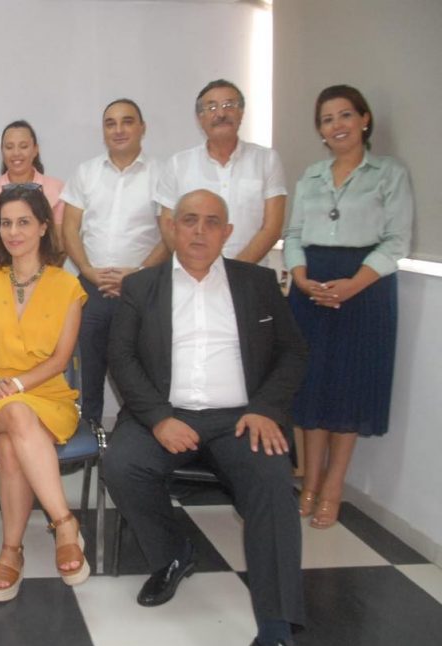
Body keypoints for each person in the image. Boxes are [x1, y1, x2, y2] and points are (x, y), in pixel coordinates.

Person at [104, 190, 325, 646]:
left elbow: (294, 353)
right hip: (166, 411)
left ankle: (274, 638)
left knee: (273, 483)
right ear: (172, 228)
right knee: (122, 465)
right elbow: (123, 357)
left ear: (227, 232)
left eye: (211, 222)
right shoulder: (142, 286)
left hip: (241, 418)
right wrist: (159, 418)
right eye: (189, 220)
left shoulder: (258, 283)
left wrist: (265, 408)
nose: (199, 231)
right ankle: (173, 552)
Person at [283, 85, 413, 529]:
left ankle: (333, 489)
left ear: (364, 119)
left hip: (364, 289)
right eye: (327, 119)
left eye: (344, 115)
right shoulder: (312, 176)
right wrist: (301, 277)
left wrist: (353, 285)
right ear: (320, 130)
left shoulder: (388, 173)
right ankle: (310, 483)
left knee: (349, 391)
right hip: (312, 287)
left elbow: (396, 241)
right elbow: (294, 235)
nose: (336, 125)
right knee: (312, 388)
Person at [0, 185, 90, 602]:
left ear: (43, 227)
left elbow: (60, 359)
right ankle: (64, 523)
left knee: (9, 447)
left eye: (23, 222)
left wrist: (15, 387)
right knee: (16, 414)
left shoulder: (67, 286)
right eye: (5, 223)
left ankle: (10, 552)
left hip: (49, 396)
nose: (13, 232)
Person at [61, 98, 169, 425]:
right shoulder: (86, 172)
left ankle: (134, 440)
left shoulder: (162, 174)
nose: (118, 129)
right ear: (104, 131)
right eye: (111, 123)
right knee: (86, 373)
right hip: (91, 288)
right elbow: (69, 228)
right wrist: (88, 271)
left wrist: (137, 275)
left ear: (142, 128)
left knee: (139, 373)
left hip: (142, 290)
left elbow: (170, 235)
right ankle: (87, 439)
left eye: (127, 121)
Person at [155, 79, 286, 266]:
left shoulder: (267, 160)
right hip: (193, 275)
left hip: (250, 273)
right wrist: (195, 269)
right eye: (212, 107)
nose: (221, 114)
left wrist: (235, 271)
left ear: (241, 113)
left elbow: (271, 228)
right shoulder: (178, 164)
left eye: (228, 105)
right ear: (200, 118)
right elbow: (168, 226)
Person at [0, 120, 64, 271]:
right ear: (2, 151)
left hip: (44, 279)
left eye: (23, 146)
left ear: (35, 149)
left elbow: (60, 243)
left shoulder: (57, 189)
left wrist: (33, 279)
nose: (16, 153)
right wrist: (4, 278)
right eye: (9, 147)